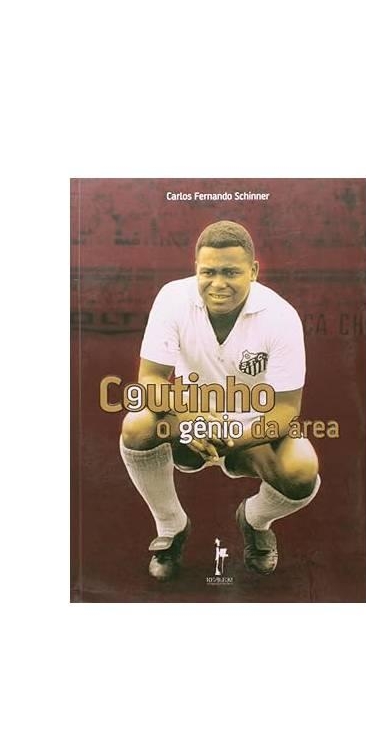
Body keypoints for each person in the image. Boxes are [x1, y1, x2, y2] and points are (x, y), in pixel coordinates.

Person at [119, 220, 321, 580]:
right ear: (196, 268)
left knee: (302, 470)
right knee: (136, 425)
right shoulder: (173, 298)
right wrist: (193, 418)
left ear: (253, 271)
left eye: (231, 272)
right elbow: (150, 379)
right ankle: (171, 527)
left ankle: (255, 520)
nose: (218, 283)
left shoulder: (281, 316)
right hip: (189, 414)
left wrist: (231, 439)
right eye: (208, 272)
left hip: (253, 426)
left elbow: (286, 409)